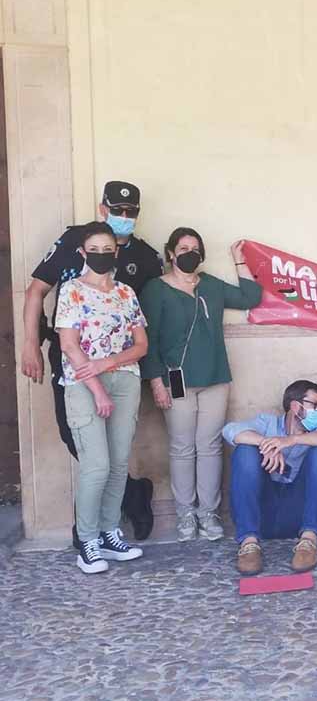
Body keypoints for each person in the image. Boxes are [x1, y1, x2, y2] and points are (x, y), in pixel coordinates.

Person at [140, 230, 263, 542]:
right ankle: (185, 515)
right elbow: (148, 340)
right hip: (175, 380)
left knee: (209, 447)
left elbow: (251, 297)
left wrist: (238, 260)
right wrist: (156, 381)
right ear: (170, 253)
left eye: (195, 249)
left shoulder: (211, 286)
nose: (189, 253)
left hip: (215, 377)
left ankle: (208, 513)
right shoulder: (156, 290)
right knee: (182, 448)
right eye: (183, 248)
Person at [55, 222, 149, 574]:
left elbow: (141, 345)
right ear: (82, 252)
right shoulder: (71, 291)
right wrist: (97, 388)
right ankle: (88, 541)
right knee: (96, 466)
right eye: (93, 249)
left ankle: (111, 533)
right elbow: (68, 344)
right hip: (83, 385)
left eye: (106, 248)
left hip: (125, 380)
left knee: (118, 464)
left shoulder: (126, 293)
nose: (100, 255)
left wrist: (110, 362)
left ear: (116, 251)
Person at [222, 379, 317, 575]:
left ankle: (308, 543)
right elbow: (230, 431)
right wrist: (267, 444)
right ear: (296, 406)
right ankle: (249, 545)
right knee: (244, 450)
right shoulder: (266, 423)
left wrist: (290, 440)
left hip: (297, 514)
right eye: (316, 405)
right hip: (262, 513)